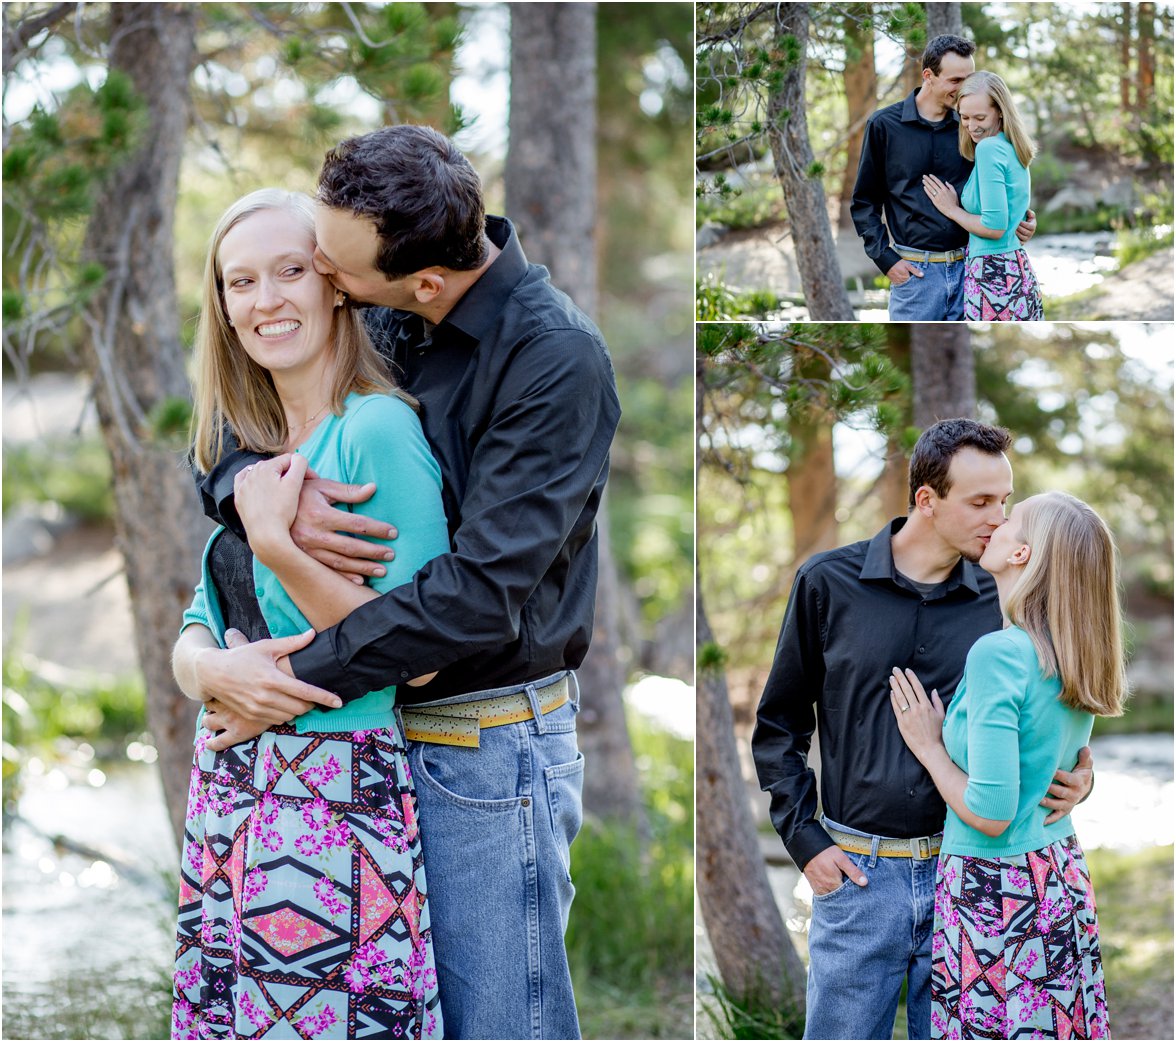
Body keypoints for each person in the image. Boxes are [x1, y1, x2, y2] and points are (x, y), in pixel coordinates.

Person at [176, 125, 622, 1040]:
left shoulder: (552, 361)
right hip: (368, 741)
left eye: (328, 275)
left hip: (481, 745)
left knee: (500, 1021)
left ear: (418, 286)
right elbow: (252, 434)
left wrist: (276, 685)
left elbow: (469, 601)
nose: (318, 286)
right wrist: (257, 503)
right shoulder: (382, 282)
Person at [171, 189, 450, 1039]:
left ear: (333, 283)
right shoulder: (242, 447)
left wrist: (281, 546)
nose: (267, 301)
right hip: (230, 791)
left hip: (335, 796)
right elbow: (203, 609)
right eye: (241, 281)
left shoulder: (376, 431)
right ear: (221, 304)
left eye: (290, 271)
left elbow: (421, 654)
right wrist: (204, 668)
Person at [751, 418, 1095, 1041]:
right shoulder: (827, 584)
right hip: (858, 877)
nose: (997, 517)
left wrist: (1080, 776)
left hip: (973, 879)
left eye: (1005, 502)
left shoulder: (1004, 600)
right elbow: (779, 725)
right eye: (979, 502)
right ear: (927, 500)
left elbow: (1049, 714)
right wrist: (805, 842)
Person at [890, 491, 1119, 1037]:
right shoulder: (1073, 652)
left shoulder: (1000, 654)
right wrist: (1083, 785)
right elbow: (1058, 760)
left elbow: (991, 811)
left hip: (996, 887)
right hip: (1056, 873)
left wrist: (928, 745)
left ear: (1023, 553)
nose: (996, 521)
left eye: (1010, 518)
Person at [851, 35, 1037, 321]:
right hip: (916, 278)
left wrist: (1021, 220)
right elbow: (864, 202)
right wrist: (886, 260)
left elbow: (1001, 182)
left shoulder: (972, 127)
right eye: (956, 80)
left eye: (969, 78)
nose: (964, 88)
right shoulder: (884, 126)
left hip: (973, 272)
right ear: (929, 76)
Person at [922, 70, 1044, 321]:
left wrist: (951, 209)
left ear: (1000, 111)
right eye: (964, 117)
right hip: (1014, 267)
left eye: (980, 117)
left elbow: (994, 226)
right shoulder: (1012, 148)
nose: (971, 126)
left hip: (993, 273)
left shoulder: (989, 149)